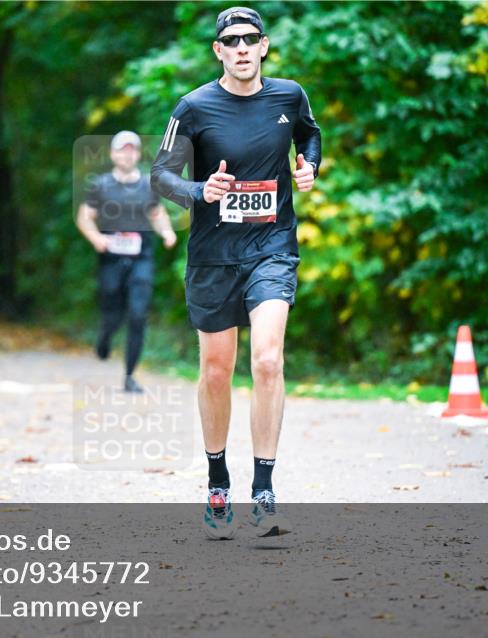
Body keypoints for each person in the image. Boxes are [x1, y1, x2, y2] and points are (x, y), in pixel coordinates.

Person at [150, 7, 321, 538]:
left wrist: (309, 165)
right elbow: (161, 175)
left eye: (251, 39)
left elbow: (310, 136)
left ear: (265, 46)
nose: (242, 47)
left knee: (268, 360)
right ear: (218, 51)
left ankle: (264, 489)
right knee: (217, 371)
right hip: (212, 255)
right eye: (231, 40)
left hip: (271, 247)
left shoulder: (288, 96)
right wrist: (202, 191)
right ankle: (217, 480)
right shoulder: (195, 107)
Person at [77, 131, 177, 393]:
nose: (127, 154)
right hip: (110, 259)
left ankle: (130, 375)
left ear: (137, 154)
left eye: (132, 150)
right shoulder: (101, 185)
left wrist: (166, 232)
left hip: (141, 258)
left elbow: (157, 214)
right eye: (122, 149)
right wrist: (96, 237)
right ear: (113, 154)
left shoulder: (147, 185)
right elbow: (85, 217)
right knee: (113, 313)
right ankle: (105, 336)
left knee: (137, 314)